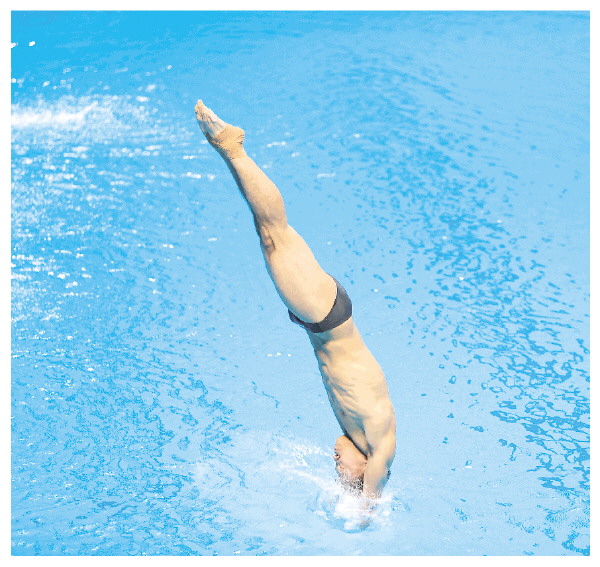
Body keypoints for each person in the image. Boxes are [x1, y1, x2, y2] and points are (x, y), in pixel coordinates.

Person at [194, 100, 396, 504]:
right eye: (343, 471)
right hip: (327, 316)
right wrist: (367, 506)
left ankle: (228, 151)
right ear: (364, 469)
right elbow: (380, 475)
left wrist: (347, 492)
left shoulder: (356, 433)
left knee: (267, 234)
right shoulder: (378, 438)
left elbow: (355, 474)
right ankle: (232, 146)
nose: (335, 463)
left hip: (319, 320)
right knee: (275, 233)